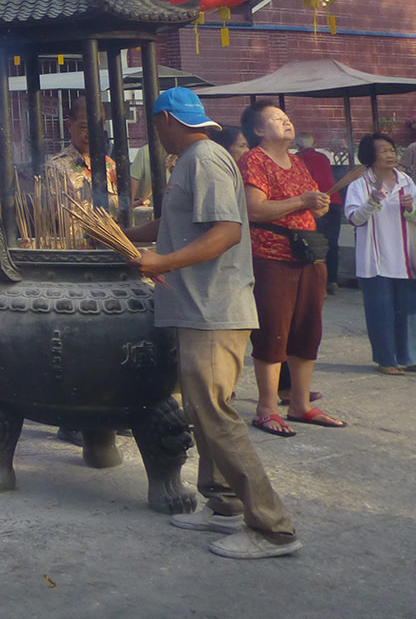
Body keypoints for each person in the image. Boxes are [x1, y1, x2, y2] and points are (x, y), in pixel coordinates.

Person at [129, 88, 301, 560]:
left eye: (156, 124)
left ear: (167, 119)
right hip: (196, 306)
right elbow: (174, 225)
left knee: (218, 416)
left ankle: (272, 526)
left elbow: (226, 231)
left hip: (214, 309)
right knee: (203, 413)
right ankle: (222, 503)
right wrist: (121, 235)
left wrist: (161, 264)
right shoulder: (191, 160)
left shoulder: (203, 158)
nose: (157, 133)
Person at [239, 102, 342, 435]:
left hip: (308, 254)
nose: (287, 123)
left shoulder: (297, 161)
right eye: (277, 120)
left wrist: (318, 205)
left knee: (307, 329)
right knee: (273, 330)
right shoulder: (254, 160)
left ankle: (300, 403)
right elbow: (254, 209)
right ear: (258, 130)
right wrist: (303, 202)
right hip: (272, 256)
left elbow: (311, 206)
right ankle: (267, 407)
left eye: (287, 118)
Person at [342, 133, 416, 374]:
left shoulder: (407, 182)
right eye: (383, 150)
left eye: (392, 150)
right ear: (370, 156)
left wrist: (410, 208)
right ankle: (387, 359)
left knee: (407, 310)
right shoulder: (359, 185)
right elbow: (354, 218)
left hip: (406, 257)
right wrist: (371, 202)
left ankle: (409, 357)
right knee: (381, 310)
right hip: (375, 259)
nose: (390, 154)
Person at [295, 132, 362, 295]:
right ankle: (332, 281)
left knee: (314, 242)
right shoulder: (323, 157)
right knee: (331, 242)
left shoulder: (297, 159)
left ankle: (317, 283)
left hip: (315, 203)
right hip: (334, 201)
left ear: (297, 145)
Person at [41, 97, 120, 211]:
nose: (89, 135)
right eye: (84, 127)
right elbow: (49, 216)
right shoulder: (55, 168)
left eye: (95, 129)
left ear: (104, 126)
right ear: (69, 125)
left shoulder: (110, 165)